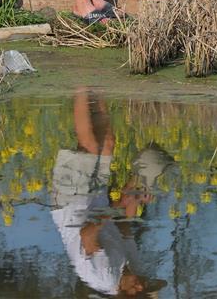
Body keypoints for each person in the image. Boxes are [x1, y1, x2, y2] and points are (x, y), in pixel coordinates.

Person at [51, 89, 172, 296]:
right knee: (108, 143)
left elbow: (86, 234)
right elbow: (124, 227)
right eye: (145, 288)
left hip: (70, 208)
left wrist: (116, 207)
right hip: (95, 203)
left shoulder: (104, 276)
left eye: (136, 292)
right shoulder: (135, 271)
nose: (141, 285)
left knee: (89, 146)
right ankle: (99, 87)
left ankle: (80, 82)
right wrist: (138, 188)